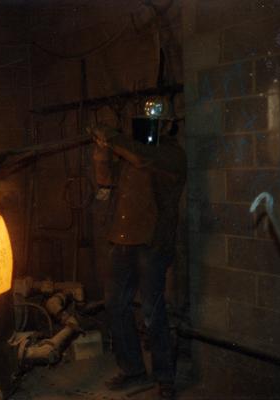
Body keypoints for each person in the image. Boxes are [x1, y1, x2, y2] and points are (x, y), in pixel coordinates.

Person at [88, 100, 186, 400]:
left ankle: (164, 377)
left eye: (156, 120)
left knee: (152, 312)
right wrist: (103, 149)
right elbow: (105, 178)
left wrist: (113, 136)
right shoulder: (128, 153)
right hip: (122, 242)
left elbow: (143, 158)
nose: (149, 125)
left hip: (151, 244)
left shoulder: (169, 153)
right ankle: (133, 370)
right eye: (144, 120)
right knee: (116, 307)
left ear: (168, 124)